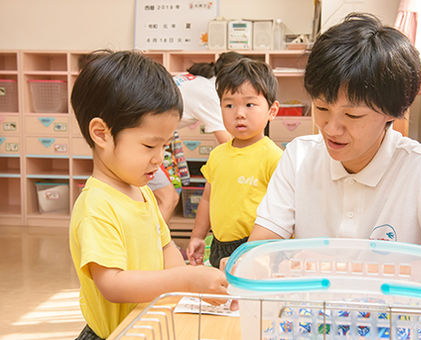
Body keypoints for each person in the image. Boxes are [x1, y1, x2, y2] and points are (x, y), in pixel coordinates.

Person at [246, 13, 421, 305]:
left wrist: (346, 269)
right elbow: (258, 252)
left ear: (395, 111)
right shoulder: (299, 157)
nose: (331, 129)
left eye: (352, 115)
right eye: (322, 108)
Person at [69, 50, 229, 340]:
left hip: (146, 323)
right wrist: (186, 280)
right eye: (149, 146)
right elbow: (113, 284)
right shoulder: (96, 206)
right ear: (102, 134)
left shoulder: (141, 190)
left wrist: (190, 289)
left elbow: (165, 246)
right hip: (113, 333)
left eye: (165, 146)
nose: (159, 159)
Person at [186, 58, 283, 268]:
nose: (239, 113)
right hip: (219, 243)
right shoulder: (218, 155)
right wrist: (198, 236)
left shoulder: (274, 157)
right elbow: (207, 199)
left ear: (272, 111)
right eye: (229, 105)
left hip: (256, 245)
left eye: (250, 104)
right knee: (222, 296)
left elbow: (283, 212)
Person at [149, 51, 245, 223]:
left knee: (160, 196)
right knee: (168, 197)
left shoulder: (197, 80)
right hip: (145, 139)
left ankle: (157, 243)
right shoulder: (208, 93)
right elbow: (228, 143)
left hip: (148, 137)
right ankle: (155, 246)